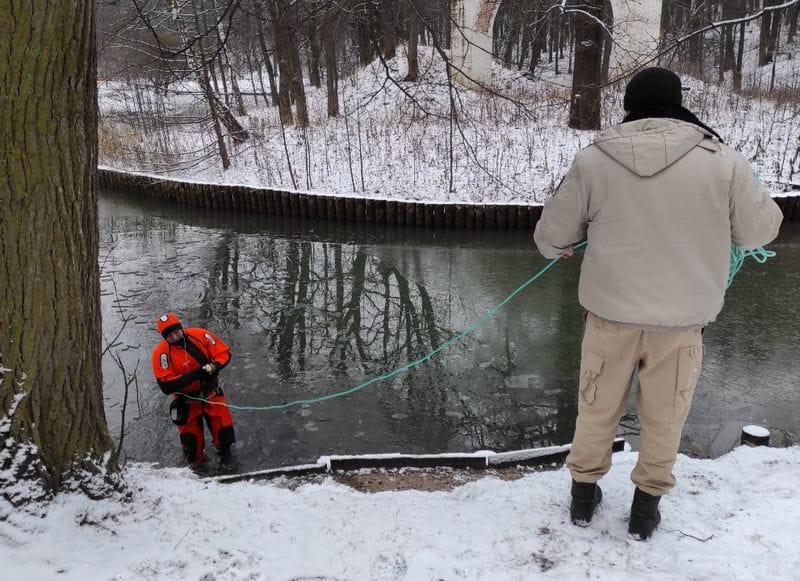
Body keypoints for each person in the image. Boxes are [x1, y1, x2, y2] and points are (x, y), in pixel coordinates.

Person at [533, 67, 783, 541]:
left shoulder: (594, 160)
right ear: (679, 103)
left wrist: (564, 245)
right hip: (683, 320)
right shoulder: (723, 160)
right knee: (666, 415)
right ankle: (645, 511)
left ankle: (583, 497)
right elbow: (760, 231)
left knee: (596, 407)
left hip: (609, 315)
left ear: (630, 106)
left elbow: (550, 238)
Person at [151, 312, 236, 467]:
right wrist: (195, 374)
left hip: (211, 394)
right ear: (164, 337)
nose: (175, 337)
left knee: (225, 434)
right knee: (191, 446)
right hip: (186, 402)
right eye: (170, 336)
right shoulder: (161, 354)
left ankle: (227, 462)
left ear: (181, 327)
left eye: (177, 332)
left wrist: (214, 366)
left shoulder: (200, 335)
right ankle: (196, 469)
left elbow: (223, 353)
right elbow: (166, 386)